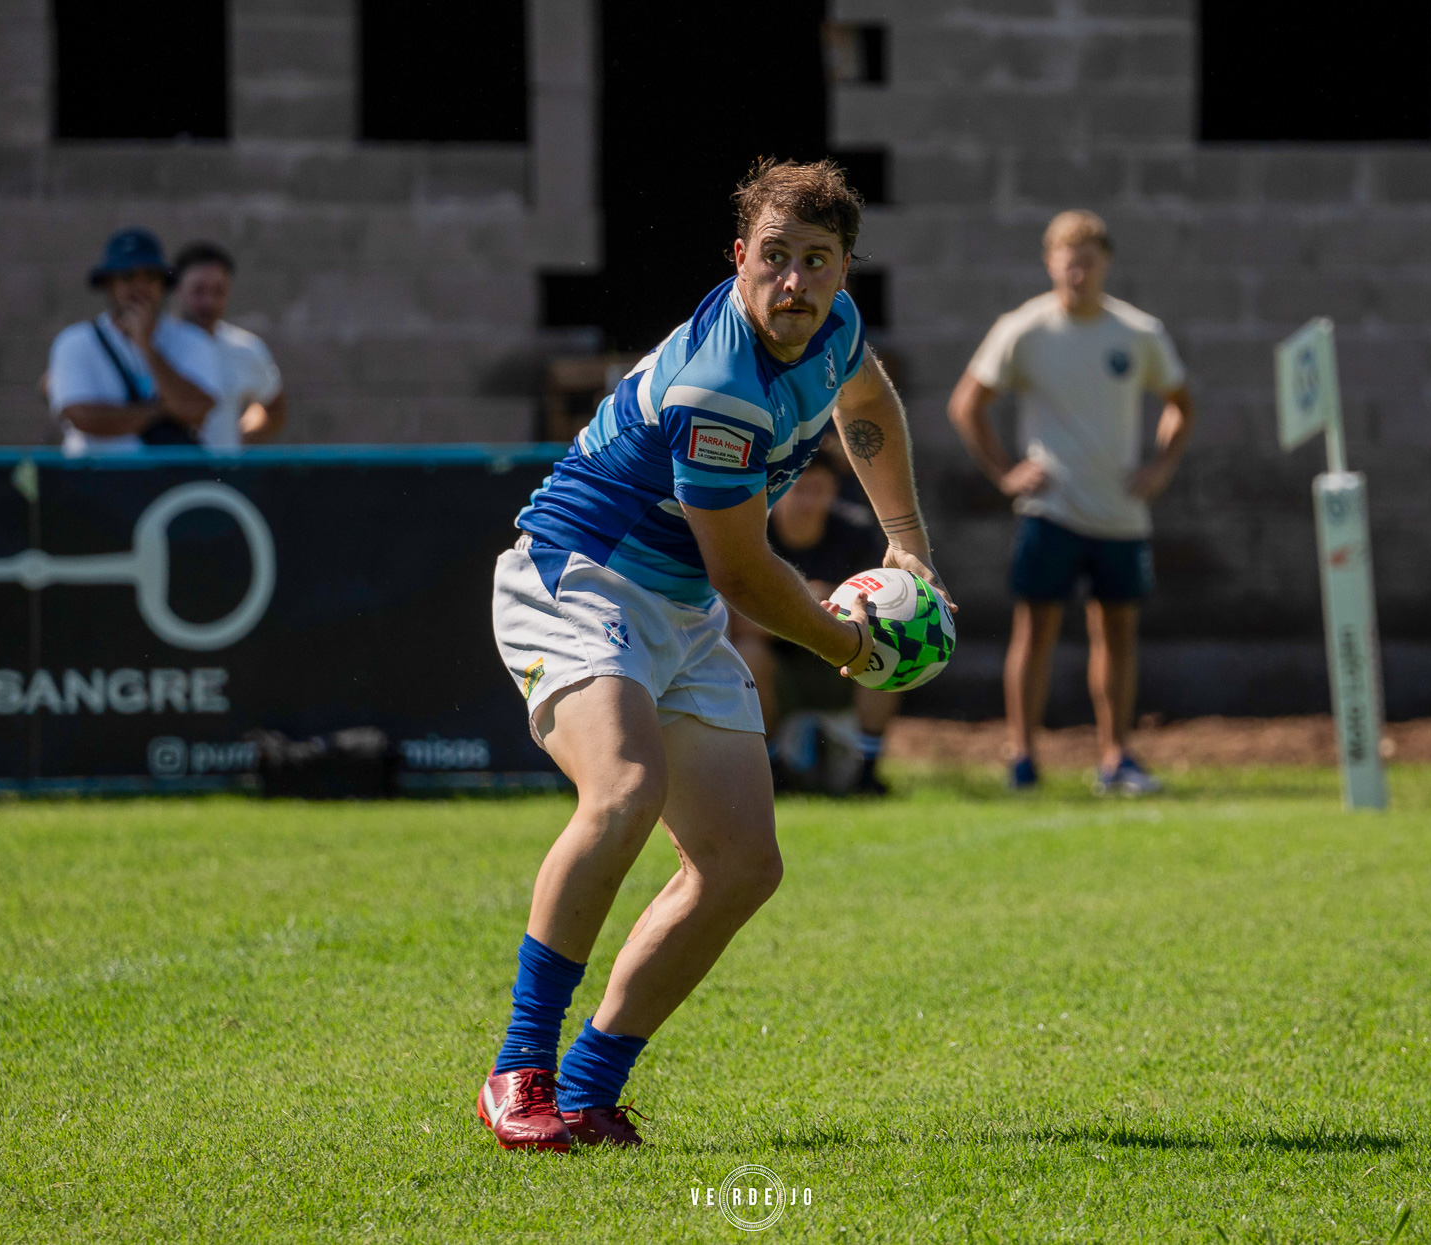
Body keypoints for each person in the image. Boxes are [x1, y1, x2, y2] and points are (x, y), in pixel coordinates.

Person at [480, 158, 947, 1150]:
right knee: (624, 791)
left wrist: (904, 537)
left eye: (814, 262)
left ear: (842, 273)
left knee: (742, 864)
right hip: (578, 580)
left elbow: (865, 406)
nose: (792, 282)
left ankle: (591, 1087)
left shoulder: (837, 331)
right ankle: (520, 1069)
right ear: (739, 258)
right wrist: (853, 649)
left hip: (676, 609)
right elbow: (743, 573)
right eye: (772, 258)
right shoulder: (719, 386)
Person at [947, 209, 1194, 794]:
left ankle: (1115, 758)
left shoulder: (1138, 333)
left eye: (1086, 263)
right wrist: (1006, 473)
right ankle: (1023, 758)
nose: (1076, 275)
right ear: (1049, 264)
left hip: (1120, 514)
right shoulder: (1023, 328)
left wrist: (1160, 467)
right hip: (1050, 511)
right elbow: (967, 405)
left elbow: (1182, 404)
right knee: (1035, 630)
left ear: (1105, 264)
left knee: (1118, 634)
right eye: (1066, 264)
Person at [730, 446, 899, 794]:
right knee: (747, 653)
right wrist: (807, 610)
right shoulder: (752, 535)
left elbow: (882, 606)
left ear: (834, 491)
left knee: (892, 644)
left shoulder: (857, 532)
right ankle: (774, 771)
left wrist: (818, 603)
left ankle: (867, 772)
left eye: (819, 490)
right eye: (800, 489)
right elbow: (741, 622)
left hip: (844, 661)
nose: (808, 501)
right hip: (780, 670)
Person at [46, 227, 220, 455]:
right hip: (97, 478)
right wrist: (159, 410)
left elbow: (197, 411)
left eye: (150, 277)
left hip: (170, 482)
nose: (140, 287)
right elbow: (82, 416)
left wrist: (146, 347)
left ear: (162, 285)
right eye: (127, 277)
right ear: (109, 285)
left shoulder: (193, 340)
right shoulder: (75, 342)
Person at [171, 241, 287, 448]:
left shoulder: (246, 347)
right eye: (198, 291)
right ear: (178, 288)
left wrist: (240, 436)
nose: (209, 302)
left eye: (218, 291)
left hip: (221, 476)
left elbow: (274, 409)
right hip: (162, 476)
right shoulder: (154, 344)